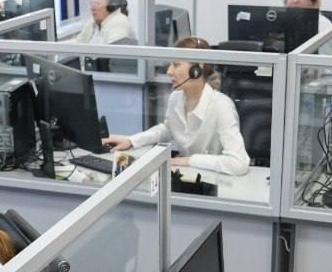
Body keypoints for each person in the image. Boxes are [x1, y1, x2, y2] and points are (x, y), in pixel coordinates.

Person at [104, 37, 250, 176]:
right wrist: (132, 141)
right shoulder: (176, 97)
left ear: (197, 69)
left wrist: (187, 160)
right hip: (188, 176)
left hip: (216, 181)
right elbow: (168, 129)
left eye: (176, 65)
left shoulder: (221, 106)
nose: (169, 72)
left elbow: (238, 163)